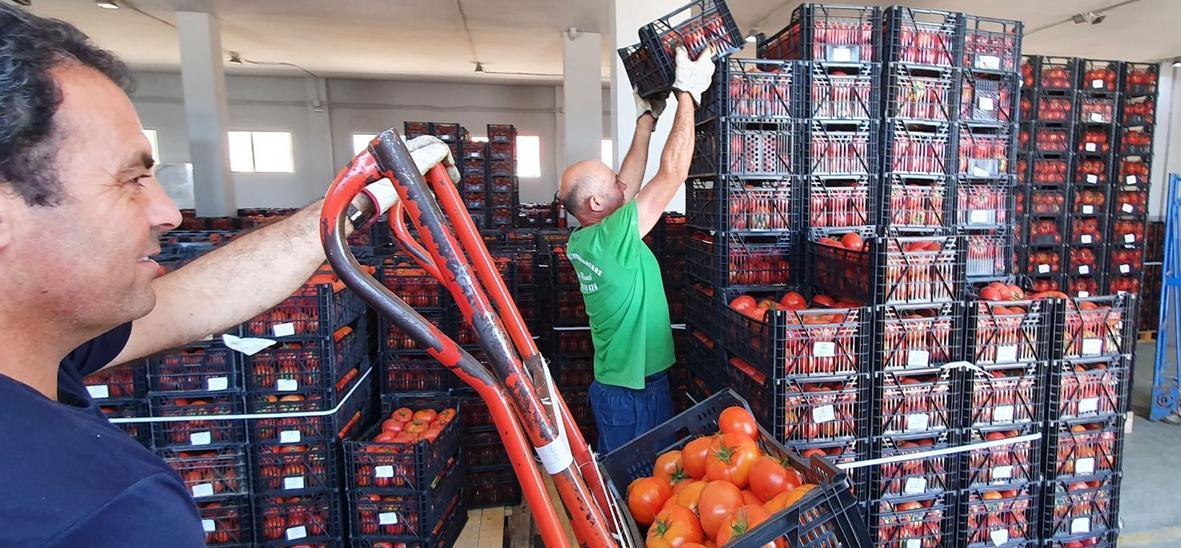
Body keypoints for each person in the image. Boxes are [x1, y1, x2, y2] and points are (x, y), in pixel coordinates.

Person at [0, 6, 448, 546]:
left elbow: (186, 303)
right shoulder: (101, 511)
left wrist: (343, 212)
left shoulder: (44, 349)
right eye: (132, 179)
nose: (169, 211)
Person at [558, 47, 715, 453]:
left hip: (626, 384)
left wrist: (647, 119)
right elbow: (673, 173)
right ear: (596, 204)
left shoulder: (587, 236)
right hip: (633, 394)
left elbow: (629, 177)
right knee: (638, 486)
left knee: (645, 480)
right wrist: (687, 94)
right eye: (612, 182)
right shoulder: (612, 237)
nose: (622, 185)